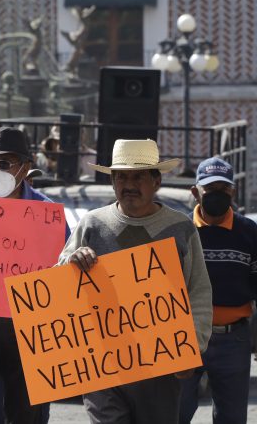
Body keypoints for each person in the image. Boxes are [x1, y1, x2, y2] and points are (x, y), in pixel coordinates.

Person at [58, 139, 213, 424]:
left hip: (161, 366)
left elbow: (199, 292)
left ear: (156, 181)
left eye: (138, 176)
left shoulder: (180, 228)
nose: (128, 184)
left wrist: (191, 347)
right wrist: (72, 260)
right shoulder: (91, 224)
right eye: (121, 176)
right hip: (102, 365)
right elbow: (58, 283)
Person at [0, 126, 70, 424]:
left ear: (25, 166)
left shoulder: (48, 215)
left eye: (4, 163)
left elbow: (64, 269)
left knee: (27, 414)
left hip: (30, 329)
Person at [179, 157, 257, 424]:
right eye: (210, 190)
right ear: (195, 192)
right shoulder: (180, 232)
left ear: (232, 192)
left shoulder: (249, 232)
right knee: (174, 413)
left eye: (223, 190)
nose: (217, 196)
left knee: (232, 418)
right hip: (186, 338)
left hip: (233, 340)